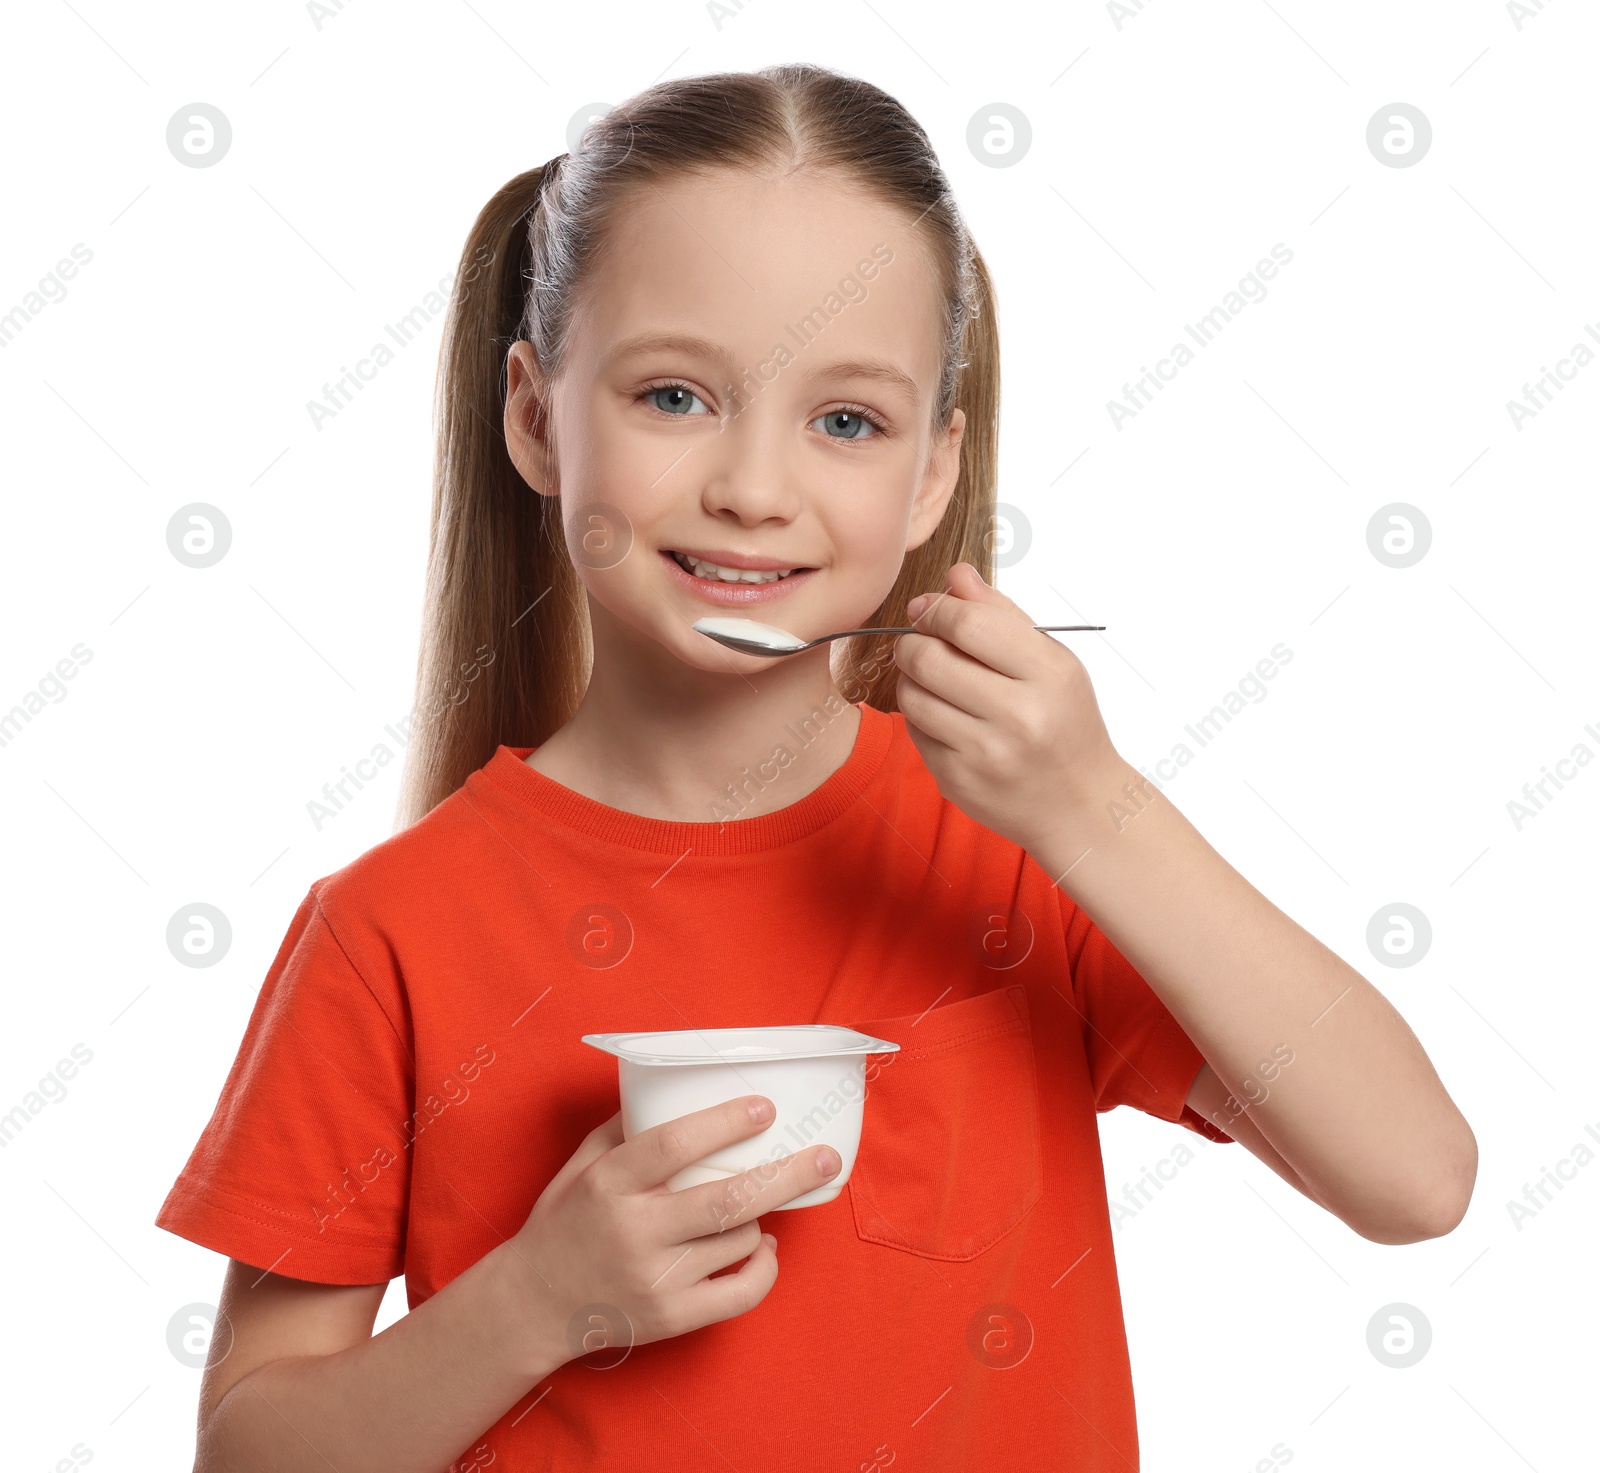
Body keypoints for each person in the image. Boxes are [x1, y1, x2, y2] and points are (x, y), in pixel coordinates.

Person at [155, 62, 1477, 1473]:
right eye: (675, 394)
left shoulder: (1025, 847)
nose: (756, 487)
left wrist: (1096, 806)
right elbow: (255, 1451)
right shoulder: (388, 933)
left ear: (928, 475)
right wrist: (536, 1302)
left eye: (846, 420)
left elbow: (1415, 1178)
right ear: (538, 418)